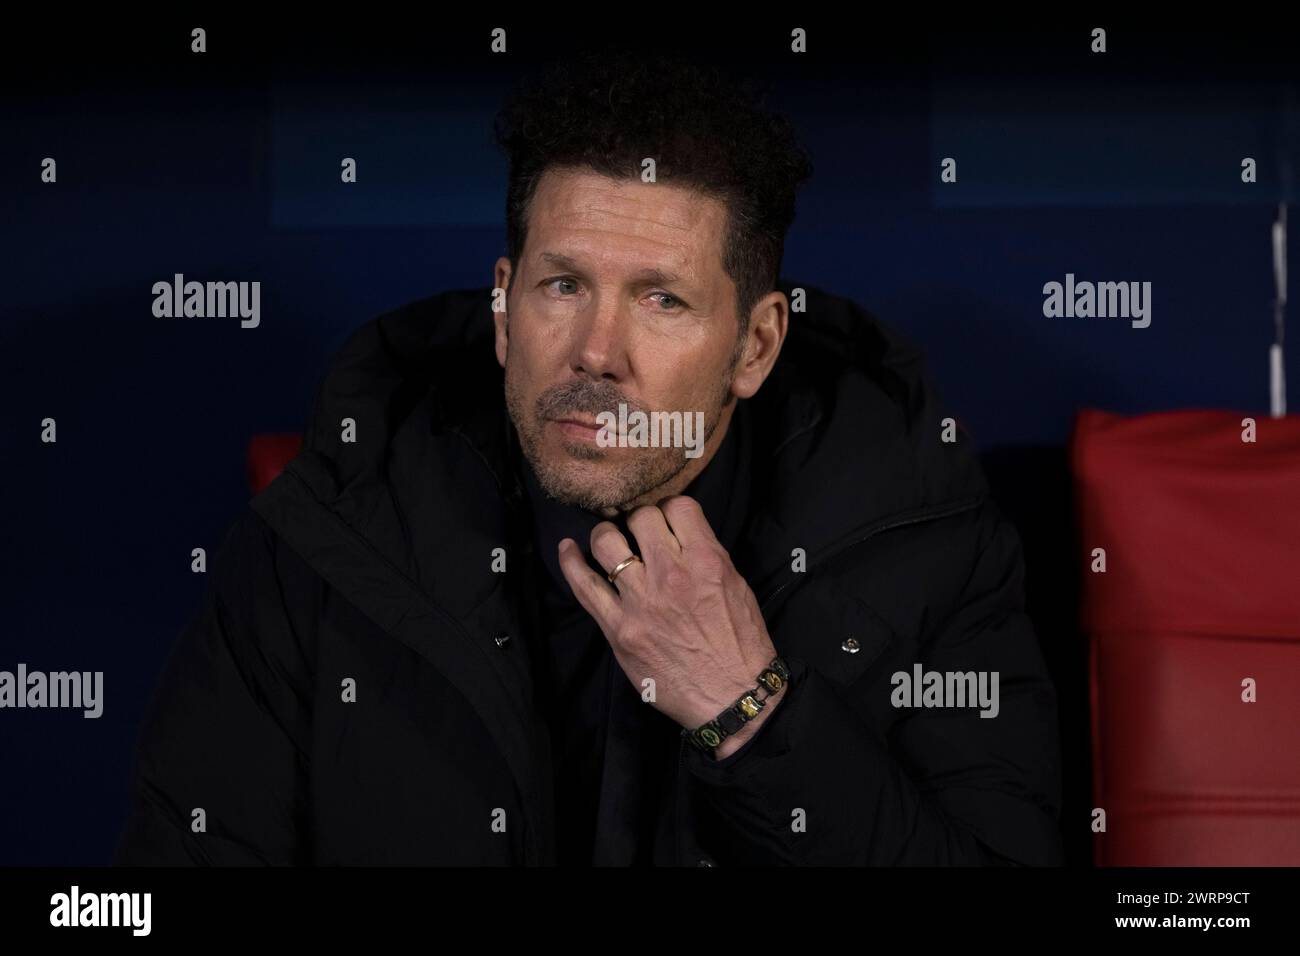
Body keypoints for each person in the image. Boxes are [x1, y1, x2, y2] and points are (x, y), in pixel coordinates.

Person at [115, 49, 1063, 866]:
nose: (596, 351)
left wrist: (752, 713)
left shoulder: (930, 551)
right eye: (563, 284)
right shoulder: (322, 538)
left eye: (663, 300)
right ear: (503, 307)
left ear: (757, 347)